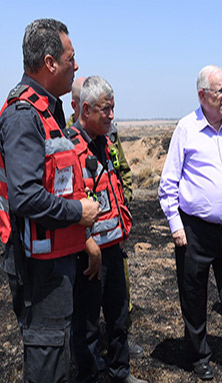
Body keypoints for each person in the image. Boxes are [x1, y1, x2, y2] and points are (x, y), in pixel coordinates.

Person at [0, 18, 101, 383]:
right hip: (39, 269)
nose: (76, 66)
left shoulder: (47, 110)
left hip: (57, 259)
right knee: (47, 364)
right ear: (51, 62)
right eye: (71, 58)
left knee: (59, 357)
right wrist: (79, 213)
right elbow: (25, 197)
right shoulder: (24, 115)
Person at [158, 65, 222, 380]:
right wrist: (176, 226)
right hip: (195, 232)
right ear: (202, 95)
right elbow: (168, 184)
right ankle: (198, 355)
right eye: (220, 91)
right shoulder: (186, 129)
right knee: (194, 295)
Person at [68, 76, 147, 383]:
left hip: (114, 246)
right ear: (85, 109)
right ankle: (87, 377)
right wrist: (87, 243)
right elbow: (69, 203)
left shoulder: (107, 142)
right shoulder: (69, 148)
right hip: (88, 253)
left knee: (118, 317)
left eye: (113, 108)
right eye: (105, 110)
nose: (112, 116)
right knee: (87, 325)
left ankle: (120, 373)